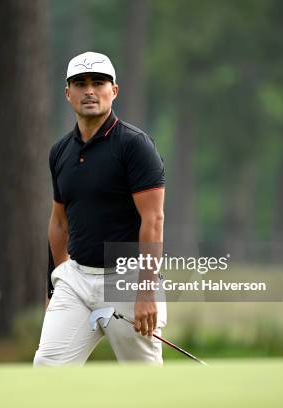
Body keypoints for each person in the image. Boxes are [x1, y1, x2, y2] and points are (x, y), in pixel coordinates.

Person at [33, 51, 167, 366]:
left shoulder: (135, 145)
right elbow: (59, 223)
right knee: (48, 366)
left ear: (114, 91)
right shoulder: (60, 151)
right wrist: (55, 282)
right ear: (68, 94)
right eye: (80, 84)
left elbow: (154, 219)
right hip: (76, 279)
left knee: (143, 377)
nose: (89, 91)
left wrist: (146, 292)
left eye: (98, 82)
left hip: (127, 278)